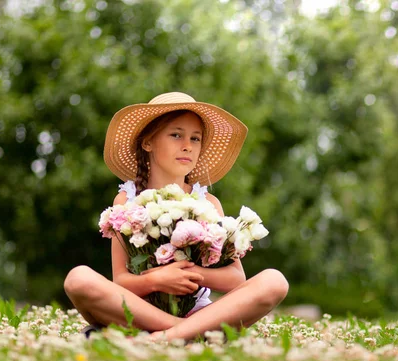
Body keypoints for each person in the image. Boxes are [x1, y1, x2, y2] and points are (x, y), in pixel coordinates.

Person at [64, 92, 289, 341]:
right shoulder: (126, 201)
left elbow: (236, 279)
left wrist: (191, 275)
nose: (187, 145)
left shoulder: (208, 203)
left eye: (195, 138)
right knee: (78, 279)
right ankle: (184, 333)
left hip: (198, 312)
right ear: (147, 142)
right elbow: (121, 280)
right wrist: (158, 280)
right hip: (143, 312)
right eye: (176, 135)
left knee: (274, 281)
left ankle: (160, 337)